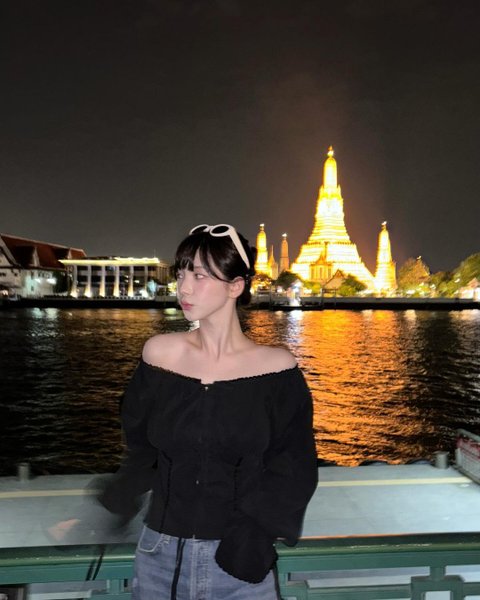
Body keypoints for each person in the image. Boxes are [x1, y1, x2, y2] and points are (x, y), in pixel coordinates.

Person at [97, 224, 318, 599]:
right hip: (159, 556)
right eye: (181, 274)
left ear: (236, 286)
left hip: (239, 560)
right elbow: (142, 450)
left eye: (199, 276)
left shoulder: (276, 370)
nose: (184, 288)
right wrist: (115, 501)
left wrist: (254, 534)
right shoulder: (159, 356)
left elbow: (294, 468)